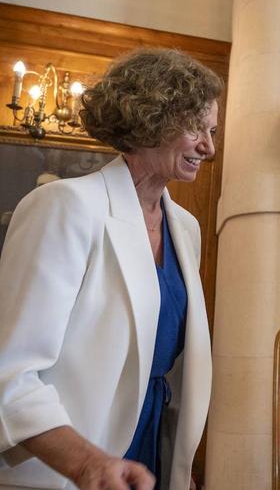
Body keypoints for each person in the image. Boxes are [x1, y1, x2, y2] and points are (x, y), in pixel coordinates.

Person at [0, 48, 220, 490]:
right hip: (67, 470)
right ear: (152, 116)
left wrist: (176, 463)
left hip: (149, 454)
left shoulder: (186, 228)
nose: (209, 147)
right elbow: (11, 372)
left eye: (212, 131)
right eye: (198, 128)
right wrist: (87, 465)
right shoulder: (64, 207)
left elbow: (166, 368)